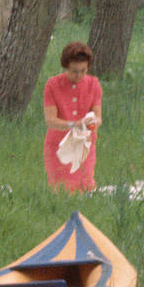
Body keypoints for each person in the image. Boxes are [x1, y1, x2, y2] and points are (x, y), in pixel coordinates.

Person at [43, 41, 103, 192]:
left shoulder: (94, 84)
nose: (79, 75)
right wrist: (75, 124)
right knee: (62, 190)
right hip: (59, 146)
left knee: (86, 187)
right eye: (74, 71)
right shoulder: (52, 85)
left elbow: (98, 116)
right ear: (66, 67)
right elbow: (51, 121)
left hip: (85, 146)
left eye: (83, 71)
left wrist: (93, 123)